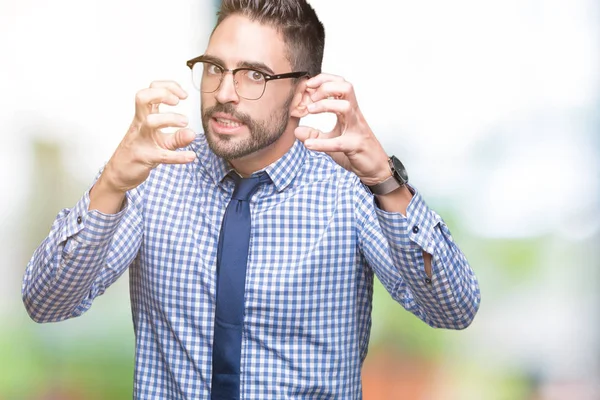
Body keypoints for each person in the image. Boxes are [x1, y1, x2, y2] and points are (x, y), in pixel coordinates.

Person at [22, 0, 481, 398]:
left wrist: (385, 180)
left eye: (254, 75)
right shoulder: (154, 176)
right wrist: (110, 186)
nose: (224, 93)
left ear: (304, 95)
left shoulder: (352, 191)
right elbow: (47, 303)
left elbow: (454, 308)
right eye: (215, 68)